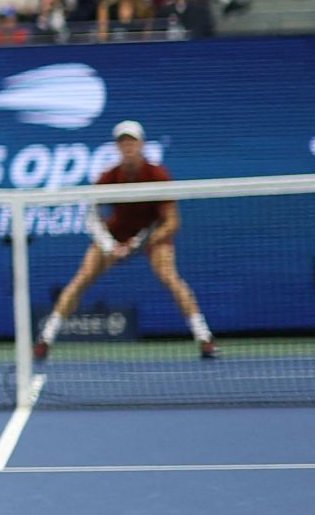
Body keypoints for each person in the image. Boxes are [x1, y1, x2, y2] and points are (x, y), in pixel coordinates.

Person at [34, 121, 217, 361]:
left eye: (132, 141)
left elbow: (172, 222)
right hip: (116, 234)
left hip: (153, 236)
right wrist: (111, 245)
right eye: (123, 142)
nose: (127, 146)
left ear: (141, 145)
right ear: (117, 147)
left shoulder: (157, 175)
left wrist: (143, 242)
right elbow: (92, 217)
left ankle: (204, 338)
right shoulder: (109, 177)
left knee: (170, 279)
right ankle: (45, 340)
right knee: (81, 279)